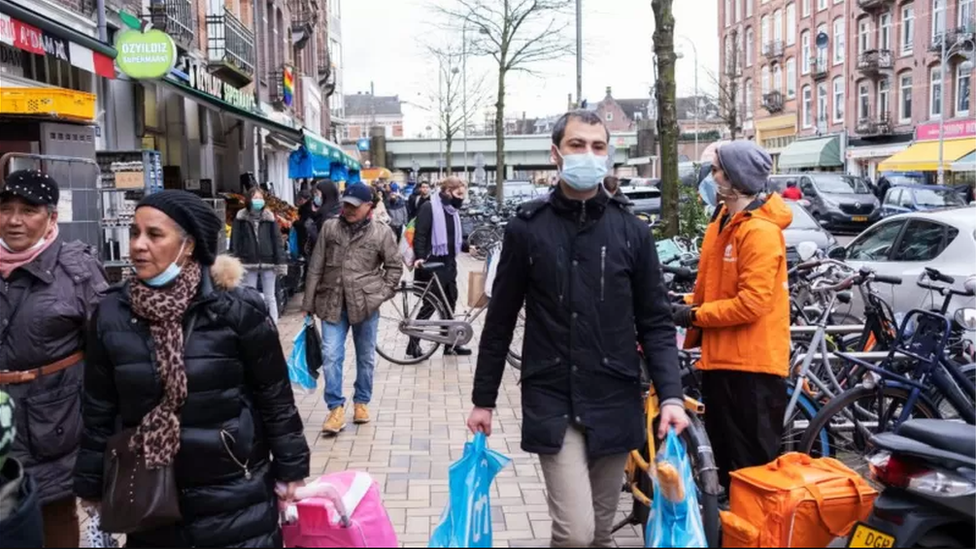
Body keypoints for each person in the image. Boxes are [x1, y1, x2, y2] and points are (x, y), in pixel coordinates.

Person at [468, 110, 689, 547]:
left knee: (601, 533)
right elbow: (500, 321)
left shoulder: (631, 231)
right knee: (575, 533)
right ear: (556, 154)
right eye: (577, 145)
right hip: (552, 392)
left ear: (608, 155)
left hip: (614, 391)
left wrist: (672, 397)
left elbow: (656, 323)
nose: (588, 154)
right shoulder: (527, 229)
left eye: (598, 146)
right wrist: (483, 401)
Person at [74, 190, 310, 547]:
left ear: (189, 245)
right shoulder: (112, 314)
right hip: (150, 495)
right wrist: (91, 484)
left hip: (234, 489)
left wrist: (291, 469)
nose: (138, 245)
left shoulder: (237, 309)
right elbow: (99, 407)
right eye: (134, 233)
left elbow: (274, 395)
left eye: (154, 235)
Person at [672, 140, 791, 492]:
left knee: (751, 470)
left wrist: (692, 314)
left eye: (717, 170)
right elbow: (717, 290)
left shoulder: (760, 232)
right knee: (725, 464)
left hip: (752, 368)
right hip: (724, 360)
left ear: (735, 179)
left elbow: (751, 303)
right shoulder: (724, 222)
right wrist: (681, 301)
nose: (711, 176)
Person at [0, 170, 109, 547]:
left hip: (54, 418)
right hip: (2, 418)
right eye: (6, 209)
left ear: (51, 217)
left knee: (53, 510)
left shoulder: (75, 269)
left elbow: (106, 350)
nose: (14, 220)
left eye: (28, 210)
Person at [303, 184, 403, 435]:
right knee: (331, 355)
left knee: (365, 357)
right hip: (331, 301)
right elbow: (315, 266)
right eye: (346, 203)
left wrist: (379, 295)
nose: (348, 209)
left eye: (354, 206)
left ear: (369, 206)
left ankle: (361, 402)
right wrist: (308, 305)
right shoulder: (330, 227)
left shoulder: (382, 233)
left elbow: (394, 269)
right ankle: (335, 408)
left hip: (365, 305)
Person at [409, 176, 471, 358]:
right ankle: (413, 345)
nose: (461, 198)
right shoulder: (429, 207)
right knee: (430, 305)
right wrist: (420, 258)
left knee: (449, 304)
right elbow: (420, 235)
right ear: (446, 192)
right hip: (433, 264)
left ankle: (450, 344)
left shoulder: (452, 211)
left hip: (449, 263)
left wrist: (468, 247)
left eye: (463, 194)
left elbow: (453, 237)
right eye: (458, 194)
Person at [230, 187, 287, 323]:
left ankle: (273, 324)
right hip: (248, 262)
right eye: (255, 198)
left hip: (269, 261)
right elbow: (235, 241)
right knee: (250, 296)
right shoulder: (240, 218)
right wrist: (234, 261)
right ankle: (252, 323)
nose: (258, 201)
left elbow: (277, 241)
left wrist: (281, 262)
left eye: (260, 198)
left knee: (270, 297)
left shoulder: (269, 217)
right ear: (249, 199)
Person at [305, 179, 341, 255]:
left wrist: (311, 229)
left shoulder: (328, 215)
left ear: (326, 195)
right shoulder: (333, 208)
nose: (316, 197)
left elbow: (323, 242)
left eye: (318, 194)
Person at [295, 189, 314, 256]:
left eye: (300, 199)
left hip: (305, 236)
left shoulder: (307, 208)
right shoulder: (306, 207)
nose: (299, 201)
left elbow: (304, 223)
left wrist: (295, 223)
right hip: (304, 235)